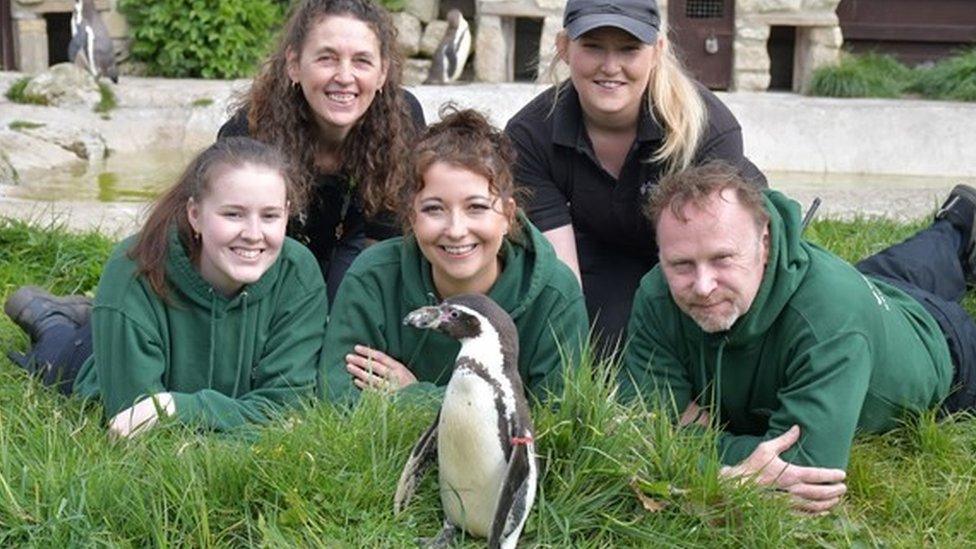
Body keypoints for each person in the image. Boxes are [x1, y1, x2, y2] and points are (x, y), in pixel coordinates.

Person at [620, 160, 976, 512]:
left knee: (870, 293)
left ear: (766, 243)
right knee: (930, 250)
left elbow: (803, 468)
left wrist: (696, 438)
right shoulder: (656, 294)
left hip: (945, 344)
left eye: (723, 258)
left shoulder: (829, 318)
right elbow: (641, 429)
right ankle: (959, 222)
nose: (702, 286)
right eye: (681, 264)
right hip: (875, 288)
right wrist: (736, 467)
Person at [4, 138, 328, 438]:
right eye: (233, 214)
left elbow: (288, 411)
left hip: (162, 372)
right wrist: (245, 422)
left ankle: (87, 315)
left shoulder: (298, 272)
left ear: (287, 214)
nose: (254, 234)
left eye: (270, 216)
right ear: (196, 215)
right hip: (87, 360)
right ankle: (52, 319)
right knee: (57, 352)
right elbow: (134, 420)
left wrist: (177, 408)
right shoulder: (133, 268)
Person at [505, 0, 766, 345]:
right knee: (603, 340)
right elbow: (564, 281)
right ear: (564, 47)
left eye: (629, 49)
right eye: (593, 46)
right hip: (603, 250)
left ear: (657, 50)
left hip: (702, 258)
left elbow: (715, 264)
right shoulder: (529, 135)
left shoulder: (709, 128)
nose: (611, 67)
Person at [321, 108, 588, 404]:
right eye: (434, 209)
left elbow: (557, 422)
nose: (457, 230)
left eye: (477, 207)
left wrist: (414, 396)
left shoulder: (554, 295)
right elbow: (337, 400)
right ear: (411, 217)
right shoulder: (374, 278)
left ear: (508, 216)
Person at [218, 0, 425, 303]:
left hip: (357, 250)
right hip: (269, 264)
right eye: (327, 58)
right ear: (293, 65)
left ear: (382, 73)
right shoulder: (249, 132)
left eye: (362, 61)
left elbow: (384, 241)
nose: (344, 76)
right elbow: (230, 239)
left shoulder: (402, 118)